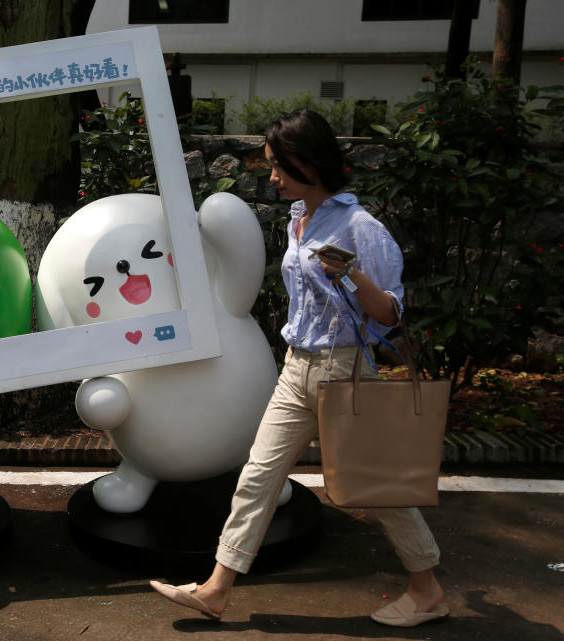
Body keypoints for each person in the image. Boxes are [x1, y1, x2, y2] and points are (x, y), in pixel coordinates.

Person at [150, 109, 448, 628]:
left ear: (306, 163)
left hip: (344, 370)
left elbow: (391, 314)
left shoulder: (360, 226)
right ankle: (217, 590)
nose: (271, 177)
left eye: (278, 166)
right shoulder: (298, 219)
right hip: (296, 368)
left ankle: (426, 591)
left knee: (377, 486)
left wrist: (351, 273)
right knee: (257, 477)